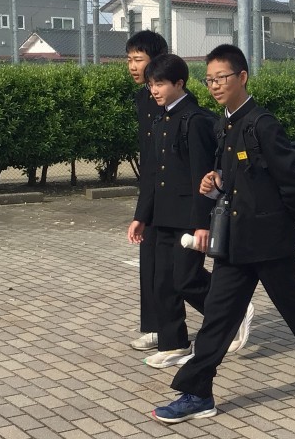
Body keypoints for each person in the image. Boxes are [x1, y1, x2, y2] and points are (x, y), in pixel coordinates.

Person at [152, 44, 295, 424]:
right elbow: (237, 179)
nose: (214, 85)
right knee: (218, 318)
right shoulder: (222, 125)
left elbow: (291, 183)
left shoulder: (263, 124)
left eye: (221, 78)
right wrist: (216, 182)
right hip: (236, 243)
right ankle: (197, 393)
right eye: (209, 80)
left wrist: (288, 228)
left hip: (271, 242)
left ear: (242, 77)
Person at [128, 53, 218, 368]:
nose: (154, 90)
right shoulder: (161, 120)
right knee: (162, 282)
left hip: (189, 217)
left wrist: (201, 222)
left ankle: (229, 309)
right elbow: (153, 175)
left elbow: (202, 177)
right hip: (163, 217)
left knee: (185, 279)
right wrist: (141, 217)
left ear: (179, 83)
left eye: (160, 84)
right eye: (151, 84)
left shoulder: (195, 120)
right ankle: (174, 344)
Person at [125, 31, 168, 352]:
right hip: (152, 193)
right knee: (150, 263)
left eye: (138, 59)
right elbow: (149, 160)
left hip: (172, 196)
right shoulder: (144, 99)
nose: (131, 66)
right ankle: (155, 328)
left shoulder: (171, 100)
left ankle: (228, 308)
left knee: (175, 270)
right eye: (129, 59)